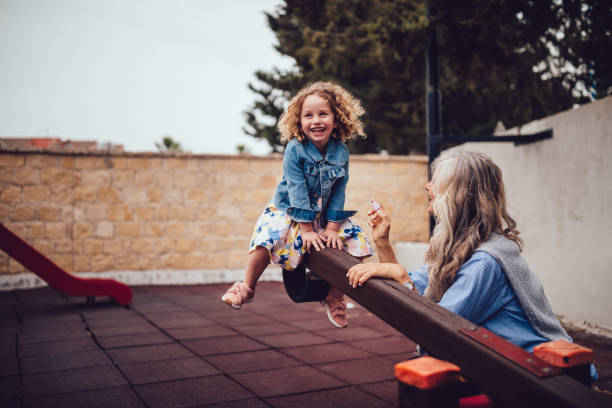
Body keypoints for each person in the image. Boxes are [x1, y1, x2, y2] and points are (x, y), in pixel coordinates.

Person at [347, 150, 598, 381]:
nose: (427, 185)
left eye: (437, 180)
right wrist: (383, 243)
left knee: (427, 368)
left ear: (460, 196)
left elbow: (435, 334)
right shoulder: (459, 247)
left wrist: (400, 275)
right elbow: (409, 295)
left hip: (543, 375)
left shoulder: (485, 262)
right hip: (509, 364)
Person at [221, 82, 372, 328]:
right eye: (308, 115)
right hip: (288, 208)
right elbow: (297, 189)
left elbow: (338, 191)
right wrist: (307, 230)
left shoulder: (341, 152)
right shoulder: (295, 149)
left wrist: (332, 228)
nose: (316, 121)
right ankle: (247, 287)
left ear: (336, 118)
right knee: (266, 238)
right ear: (298, 121)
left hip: (322, 213)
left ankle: (335, 293)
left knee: (356, 239)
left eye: (323, 114)